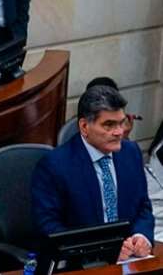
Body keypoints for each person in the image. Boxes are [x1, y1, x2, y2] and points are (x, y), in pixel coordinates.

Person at [32, 85, 153, 261]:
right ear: (84, 127)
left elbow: (143, 206)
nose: (120, 132)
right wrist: (104, 250)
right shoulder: (55, 165)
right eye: (109, 125)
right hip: (83, 263)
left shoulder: (131, 152)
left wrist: (141, 236)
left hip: (130, 260)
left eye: (122, 122)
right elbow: (49, 228)